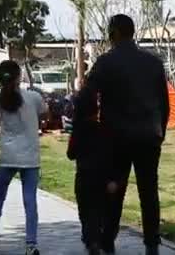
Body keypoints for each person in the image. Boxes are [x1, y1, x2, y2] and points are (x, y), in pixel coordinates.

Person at [85, 14, 169, 255]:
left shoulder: (106, 62)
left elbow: (88, 95)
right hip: (148, 136)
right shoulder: (153, 62)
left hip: (116, 138)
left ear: (114, 33)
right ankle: (152, 243)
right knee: (149, 191)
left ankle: (108, 239)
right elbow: (164, 103)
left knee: (114, 189)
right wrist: (159, 132)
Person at [0, 60, 48, 255]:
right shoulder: (33, 97)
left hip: (7, 156)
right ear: (20, 77)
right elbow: (46, 116)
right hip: (30, 157)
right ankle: (31, 244)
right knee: (30, 202)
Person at [67, 87, 115, 255]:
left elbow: (70, 154)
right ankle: (97, 238)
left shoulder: (78, 131)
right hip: (101, 177)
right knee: (99, 210)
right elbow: (110, 154)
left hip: (83, 176)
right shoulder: (103, 130)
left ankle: (90, 239)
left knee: (85, 211)